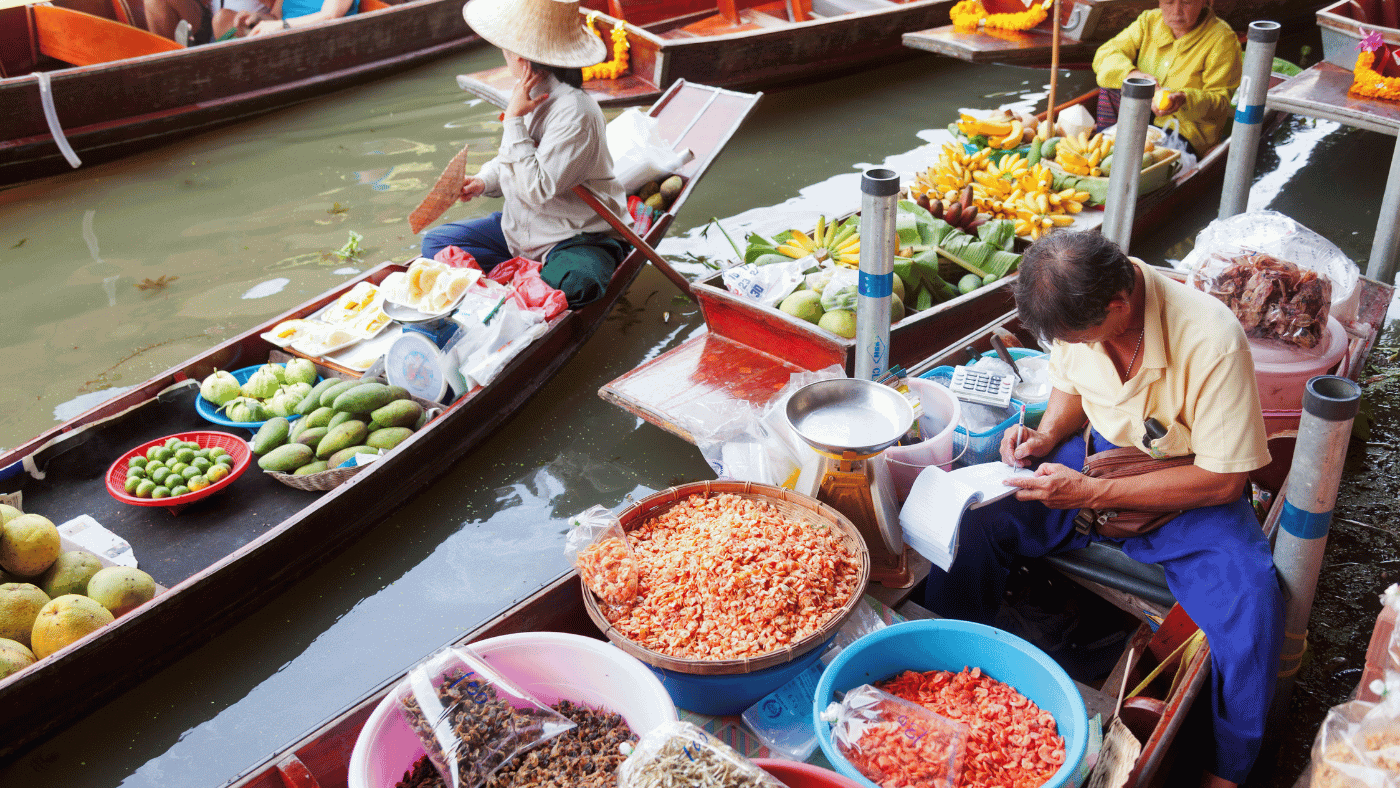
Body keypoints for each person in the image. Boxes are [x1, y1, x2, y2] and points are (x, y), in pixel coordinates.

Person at [920, 231, 1283, 788]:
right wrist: (1045, 436)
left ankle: (1226, 769)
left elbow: (1223, 482)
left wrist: (1092, 495)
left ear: (1119, 304)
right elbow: (1070, 385)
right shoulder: (1078, 306)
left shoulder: (1212, 341)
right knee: (975, 519)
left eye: (1081, 337)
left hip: (1186, 483)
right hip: (1094, 459)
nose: (1076, 346)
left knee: (1253, 598)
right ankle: (947, 666)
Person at [418, 0, 629, 308]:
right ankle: (520, 284)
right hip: (521, 230)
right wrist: (483, 181)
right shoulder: (527, 94)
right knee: (435, 243)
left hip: (574, 236)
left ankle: (522, 287)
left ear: (520, 57)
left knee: (576, 283)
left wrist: (514, 121)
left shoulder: (576, 112)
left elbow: (537, 189)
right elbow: (512, 161)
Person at [1091, 0, 1242, 157]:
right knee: (1112, 84)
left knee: (1146, 161)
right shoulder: (1149, 21)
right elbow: (1106, 53)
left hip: (1183, 132)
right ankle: (1104, 150)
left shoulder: (1223, 39)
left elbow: (1221, 102)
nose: (1176, 11)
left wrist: (1184, 100)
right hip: (1140, 114)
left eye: (1187, 2)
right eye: (1169, 2)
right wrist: (1131, 74)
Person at [216, 0, 358, 38]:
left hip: (319, 38)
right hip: (285, 37)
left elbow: (330, 15)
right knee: (223, 21)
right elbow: (275, 17)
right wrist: (258, 18)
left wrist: (283, 26)